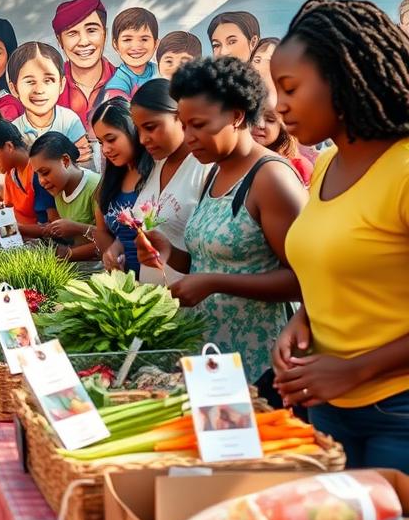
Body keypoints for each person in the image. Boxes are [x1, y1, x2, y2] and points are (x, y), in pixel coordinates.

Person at [270, 0, 409, 470]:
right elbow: (338, 266)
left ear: (345, 79)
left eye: (290, 88)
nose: (277, 105)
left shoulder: (405, 170)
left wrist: (356, 369)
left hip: (399, 413)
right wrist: (303, 322)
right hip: (328, 409)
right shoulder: (325, 164)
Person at [136, 58, 306, 385]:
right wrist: (169, 252)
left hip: (263, 362)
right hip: (212, 357)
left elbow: (305, 280)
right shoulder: (215, 171)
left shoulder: (270, 178)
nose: (189, 137)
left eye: (199, 125)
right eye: (184, 126)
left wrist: (215, 283)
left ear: (237, 115)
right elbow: (206, 262)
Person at [130, 79, 211, 284]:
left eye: (150, 127)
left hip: (189, 307)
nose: (143, 139)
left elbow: (210, 259)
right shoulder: (156, 164)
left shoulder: (205, 168)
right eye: (138, 130)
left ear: (181, 117)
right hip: (151, 303)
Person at [91, 98, 153, 275]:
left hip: (158, 281)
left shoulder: (156, 175)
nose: (105, 149)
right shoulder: (110, 181)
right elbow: (104, 231)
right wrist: (111, 252)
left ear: (133, 130)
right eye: (101, 142)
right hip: (125, 285)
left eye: (111, 139)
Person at [0, 112, 56, 238]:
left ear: (9, 146)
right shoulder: (11, 173)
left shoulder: (37, 173)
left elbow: (54, 227)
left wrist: (9, 229)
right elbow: (8, 211)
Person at [6, 42, 89, 159]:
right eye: (30, 81)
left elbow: (83, 158)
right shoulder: (13, 132)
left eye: (48, 80)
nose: (39, 90)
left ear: (61, 84)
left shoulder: (69, 120)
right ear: (14, 88)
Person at [30, 132, 100, 261]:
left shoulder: (96, 187)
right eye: (37, 175)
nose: (41, 181)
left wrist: (76, 230)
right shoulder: (58, 190)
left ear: (65, 161)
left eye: (45, 172)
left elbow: (110, 239)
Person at [51, 0, 115, 133]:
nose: (84, 42)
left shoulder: (125, 83)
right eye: (72, 33)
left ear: (105, 34)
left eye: (91, 30)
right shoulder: (48, 89)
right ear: (59, 41)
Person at [252, 83, 313, 185]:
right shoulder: (233, 160)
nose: (259, 124)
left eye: (270, 120)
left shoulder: (299, 166)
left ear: (282, 127)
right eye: (254, 117)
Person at [103, 7, 160, 100]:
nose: (136, 46)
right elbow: (120, 108)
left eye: (144, 39)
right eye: (127, 39)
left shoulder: (158, 70)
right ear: (115, 45)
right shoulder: (118, 82)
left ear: (155, 44)